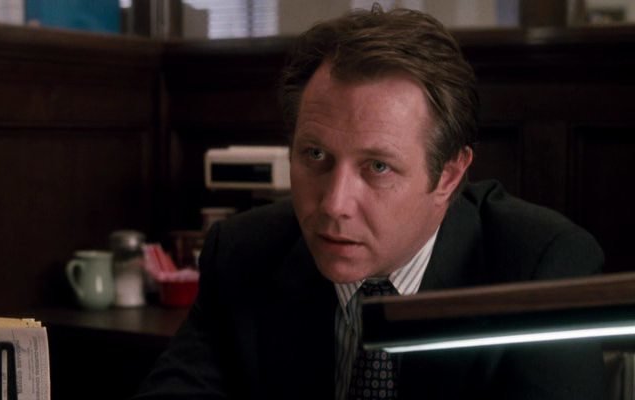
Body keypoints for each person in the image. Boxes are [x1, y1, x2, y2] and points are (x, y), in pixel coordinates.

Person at [133, 5, 604, 400]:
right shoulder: (243, 251)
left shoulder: (540, 268)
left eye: (378, 167)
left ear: (448, 175)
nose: (334, 204)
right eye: (315, 155)